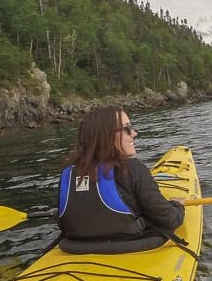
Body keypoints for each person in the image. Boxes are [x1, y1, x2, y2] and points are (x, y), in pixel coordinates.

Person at [57, 105, 186, 251]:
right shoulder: (133, 169)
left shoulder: (68, 174)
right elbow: (169, 220)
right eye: (126, 128)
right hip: (131, 248)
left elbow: (64, 222)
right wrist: (177, 206)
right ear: (106, 135)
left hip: (76, 249)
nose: (134, 133)